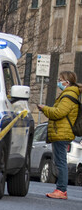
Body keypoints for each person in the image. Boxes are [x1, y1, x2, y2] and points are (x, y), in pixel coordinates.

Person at [38, 70, 81, 200]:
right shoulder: (69, 94)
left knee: (61, 162)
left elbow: (58, 113)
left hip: (62, 133)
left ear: (66, 82)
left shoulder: (68, 96)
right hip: (61, 132)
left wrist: (44, 108)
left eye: (60, 80)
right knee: (59, 161)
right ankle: (61, 189)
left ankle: (61, 189)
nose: (58, 82)